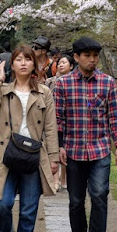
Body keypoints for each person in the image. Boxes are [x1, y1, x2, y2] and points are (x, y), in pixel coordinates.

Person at [0, 45, 59, 232]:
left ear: (34, 65)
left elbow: (51, 127)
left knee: (29, 207)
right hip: (6, 154)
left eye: (28, 59)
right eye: (19, 60)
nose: (24, 63)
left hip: (33, 155)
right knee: (1, 203)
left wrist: (53, 158)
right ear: (12, 64)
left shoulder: (44, 92)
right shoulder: (5, 90)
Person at [55, 37, 117, 232]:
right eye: (87, 56)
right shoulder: (64, 84)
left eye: (95, 56)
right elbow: (58, 118)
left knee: (99, 195)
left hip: (100, 150)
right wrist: (60, 145)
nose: (92, 60)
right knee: (75, 200)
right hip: (74, 151)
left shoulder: (107, 83)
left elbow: (115, 116)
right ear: (76, 58)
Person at [46, 53, 76, 190]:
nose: (61, 65)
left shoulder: (74, 82)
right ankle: (55, 179)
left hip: (69, 120)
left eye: (64, 62)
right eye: (59, 63)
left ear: (71, 66)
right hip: (52, 119)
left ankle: (64, 178)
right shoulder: (50, 82)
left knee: (66, 150)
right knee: (53, 148)